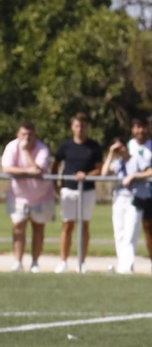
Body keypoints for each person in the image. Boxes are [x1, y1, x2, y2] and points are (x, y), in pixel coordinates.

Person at [54, 113, 104, 273]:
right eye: (77, 126)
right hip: (68, 189)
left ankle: (81, 262)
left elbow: (100, 169)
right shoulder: (65, 146)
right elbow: (55, 165)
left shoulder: (94, 146)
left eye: (83, 126)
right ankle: (63, 261)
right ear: (72, 127)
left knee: (84, 225)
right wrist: (55, 183)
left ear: (87, 127)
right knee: (67, 225)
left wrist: (87, 175)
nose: (80, 129)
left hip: (87, 190)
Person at [103, 132, 152, 274]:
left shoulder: (136, 159)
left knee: (130, 232)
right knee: (119, 233)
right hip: (118, 199)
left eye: (121, 147)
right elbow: (103, 174)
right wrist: (110, 154)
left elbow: (151, 172)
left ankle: (127, 266)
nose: (120, 150)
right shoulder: (117, 163)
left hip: (134, 199)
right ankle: (123, 264)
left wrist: (133, 176)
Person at [4, 122, 54, 273]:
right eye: (23, 134)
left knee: (38, 228)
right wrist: (27, 170)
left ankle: (35, 263)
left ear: (35, 135)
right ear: (17, 134)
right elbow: (7, 168)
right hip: (18, 196)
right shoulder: (11, 147)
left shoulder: (42, 149)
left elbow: (38, 169)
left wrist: (25, 152)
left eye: (30, 134)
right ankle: (18, 262)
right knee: (18, 227)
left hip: (41, 196)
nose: (27, 137)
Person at [124, 116, 152, 273]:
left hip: (149, 194)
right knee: (129, 229)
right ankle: (127, 263)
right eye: (137, 127)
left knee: (149, 228)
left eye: (143, 127)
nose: (140, 130)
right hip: (130, 194)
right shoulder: (128, 146)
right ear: (133, 129)